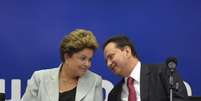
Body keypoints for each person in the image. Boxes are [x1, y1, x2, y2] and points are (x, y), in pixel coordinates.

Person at [21, 29, 103, 101]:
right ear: (67, 57)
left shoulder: (95, 81)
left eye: (90, 59)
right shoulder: (40, 78)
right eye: (83, 58)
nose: (87, 64)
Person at [103, 35, 187, 101]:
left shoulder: (163, 73)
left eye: (111, 57)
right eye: (106, 61)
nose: (108, 64)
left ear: (127, 51)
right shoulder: (113, 95)